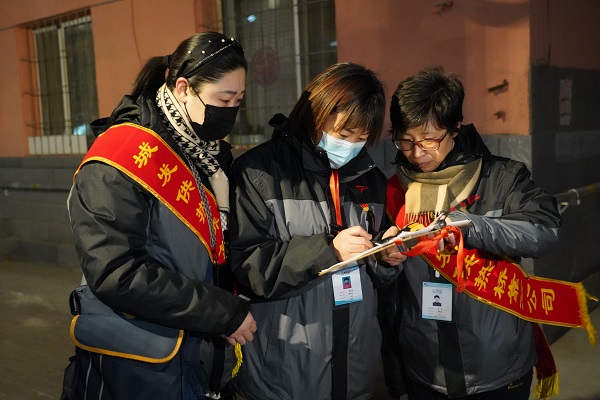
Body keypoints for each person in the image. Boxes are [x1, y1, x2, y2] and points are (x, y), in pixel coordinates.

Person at [61, 31, 257, 400]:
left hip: (201, 352)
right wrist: (221, 312)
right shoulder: (120, 156)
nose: (231, 110)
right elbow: (115, 273)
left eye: (238, 100)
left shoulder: (209, 155)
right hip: (143, 364)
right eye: (224, 99)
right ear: (183, 89)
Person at [228, 62, 405, 400]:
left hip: (355, 367)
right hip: (285, 370)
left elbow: (378, 275)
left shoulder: (370, 179)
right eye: (343, 134)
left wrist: (386, 257)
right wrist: (329, 250)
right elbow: (250, 267)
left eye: (361, 138)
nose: (350, 146)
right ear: (316, 115)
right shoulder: (260, 171)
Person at [384, 66, 561, 399]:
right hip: (424, 366)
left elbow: (545, 231)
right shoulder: (395, 189)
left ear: (455, 127)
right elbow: (390, 293)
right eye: (405, 141)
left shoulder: (502, 177)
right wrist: (384, 259)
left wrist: (475, 227)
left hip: (495, 366)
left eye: (429, 140)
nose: (417, 153)